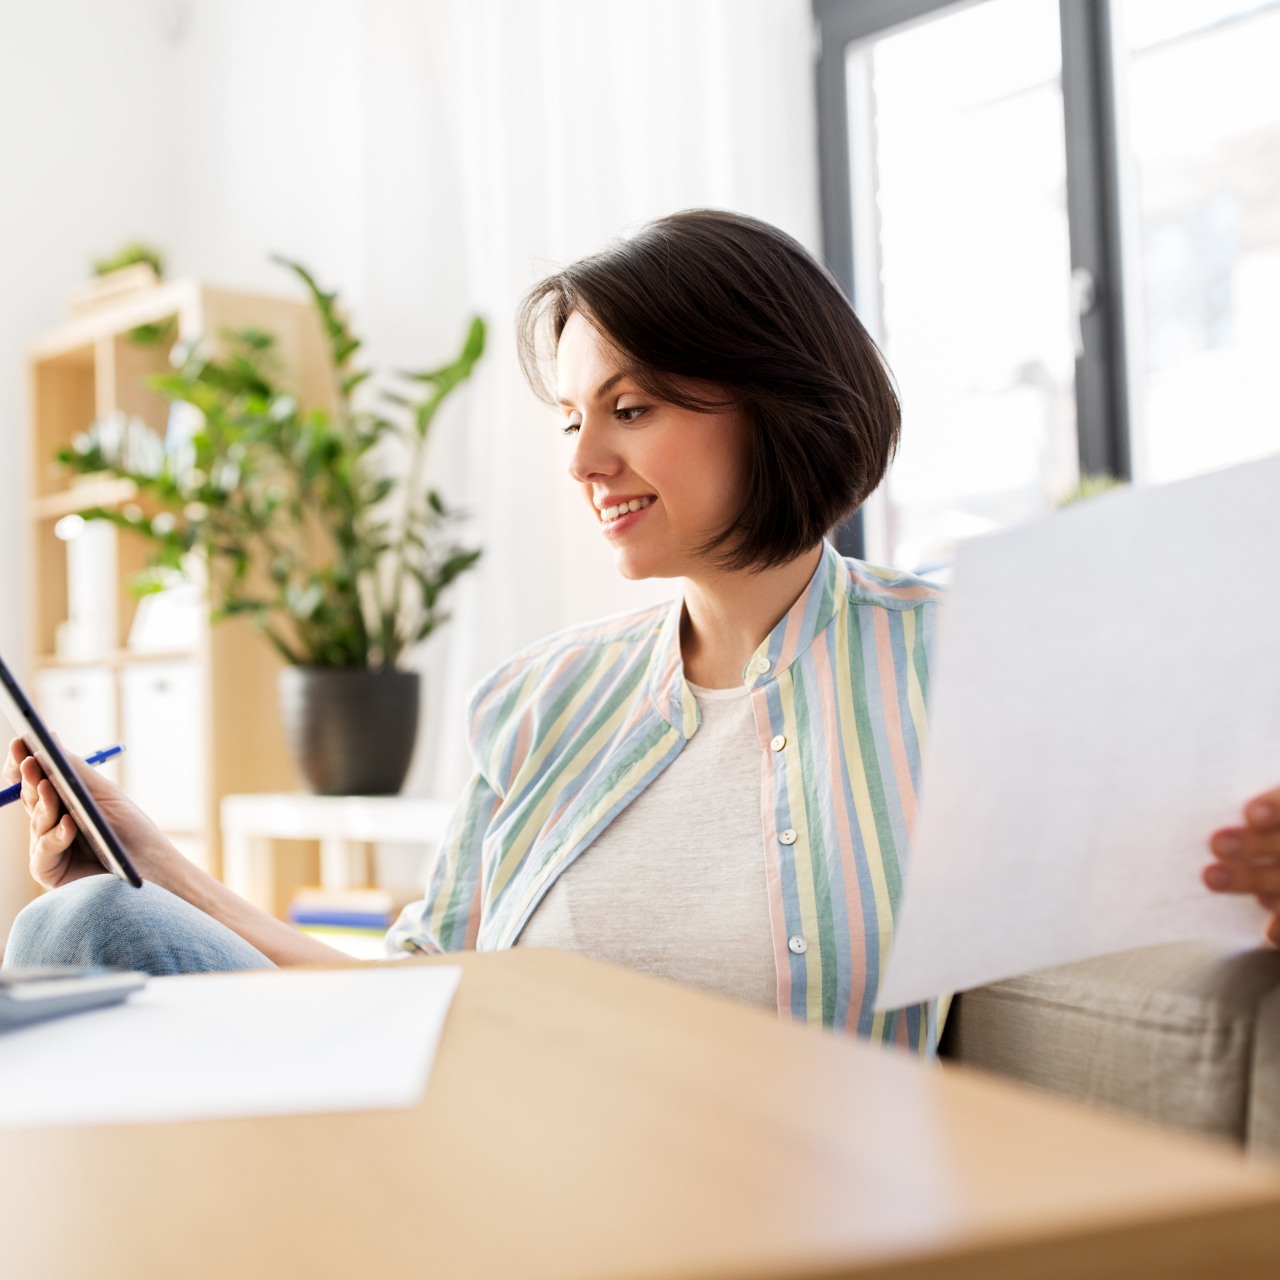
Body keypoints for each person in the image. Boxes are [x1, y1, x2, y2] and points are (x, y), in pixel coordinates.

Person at [4, 211, 1277, 1046]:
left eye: (633, 404)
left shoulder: (961, 661)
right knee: (81, 927)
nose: (585, 459)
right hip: (495, 1156)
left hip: (770, 1197)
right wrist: (156, 864)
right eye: (570, 417)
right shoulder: (537, 697)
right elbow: (417, 994)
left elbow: (1173, 866)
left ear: (779, 399)